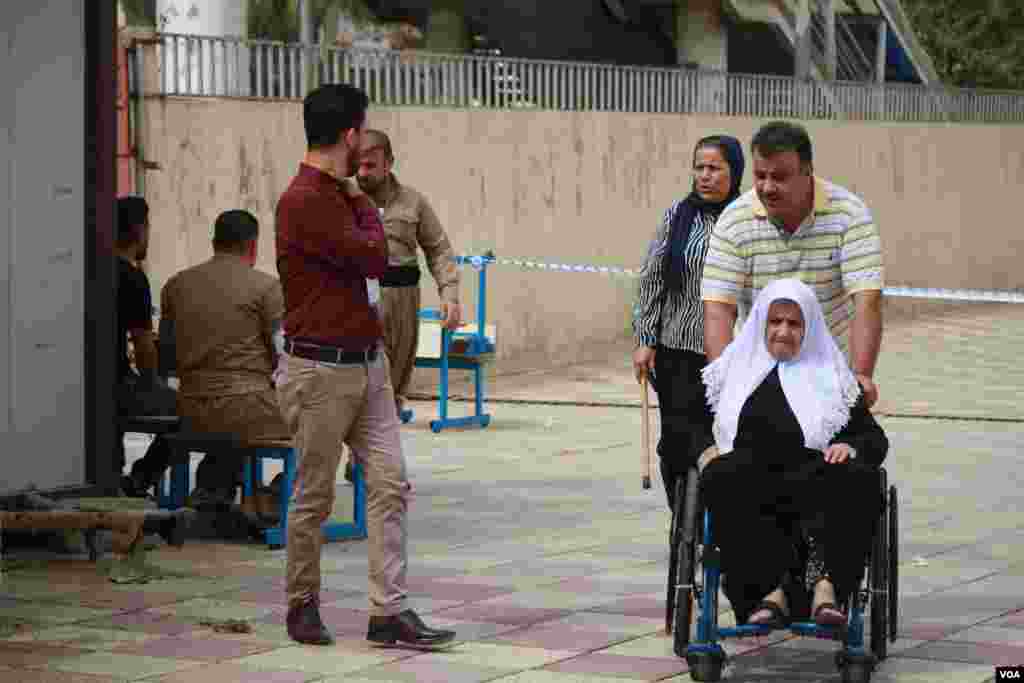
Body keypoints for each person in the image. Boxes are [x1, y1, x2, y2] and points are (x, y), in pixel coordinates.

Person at [274, 83, 455, 649]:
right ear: (350, 136)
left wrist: (356, 199)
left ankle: (388, 611)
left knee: (390, 484)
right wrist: (363, 205)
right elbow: (375, 255)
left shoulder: (342, 193)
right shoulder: (304, 200)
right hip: (319, 370)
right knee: (315, 494)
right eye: (362, 136)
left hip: (367, 361)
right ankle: (302, 604)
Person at [697, 279, 889, 628]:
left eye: (794, 323)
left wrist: (851, 446)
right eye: (775, 321)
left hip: (813, 475)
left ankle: (826, 588)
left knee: (859, 478)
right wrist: (704, 451)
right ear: (761, 323)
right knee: (720, 476)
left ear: (809, 328)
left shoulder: (833, 377)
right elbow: (692, 426)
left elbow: (873, 438)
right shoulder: (732, 371)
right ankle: (768, 592)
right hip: (750, 474)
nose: (783, 331)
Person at [701, 121, 884, 408]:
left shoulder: (850, 215)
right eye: (760, 175)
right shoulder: (733, 221)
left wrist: (860, 377)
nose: (767, 187)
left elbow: (867, 301)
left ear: (808, 171)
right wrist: (724, 383)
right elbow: (718, 310)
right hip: (756, 377)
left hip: (829, 378)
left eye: (779, 177)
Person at [632, 135, 745, 509]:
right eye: (700, 167)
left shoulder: (747, 219)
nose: (705, 176)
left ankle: (719, 517)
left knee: (724, 439)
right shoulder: (677, 216)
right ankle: (684, 523)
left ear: (734, 171)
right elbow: (652, 278)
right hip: (677, 350)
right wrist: (646, 339)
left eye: (715, 168)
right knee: (675, 444)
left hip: (730, 354)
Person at [157, 209, 292, 509]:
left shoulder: (177, 285)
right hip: (248, 408)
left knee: (230, 426)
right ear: (253, 245)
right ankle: (273, 498)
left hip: (190, 410)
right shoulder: (267, 288)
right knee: (323, 426)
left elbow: (165, 355)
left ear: (214, 242)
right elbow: (285, 357)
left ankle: (216, 490)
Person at [356, 128, 462, 417]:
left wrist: (450, 295)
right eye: (358, 165)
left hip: (403, 302)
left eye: (370, 166)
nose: (362, 173)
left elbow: (439, 249)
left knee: (395, 383)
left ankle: (384, 437)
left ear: (389, 163)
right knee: (362, 384)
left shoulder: (413, 202)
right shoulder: (344, 201)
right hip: (358, 302)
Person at [115, 196, 177, 497]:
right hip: (117, 386)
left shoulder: (89, 271)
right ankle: (142, 478)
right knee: (193, 413)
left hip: (87, 386)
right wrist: (152, 383)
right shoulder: (132, 278)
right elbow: (142, 343)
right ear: (139, 230)